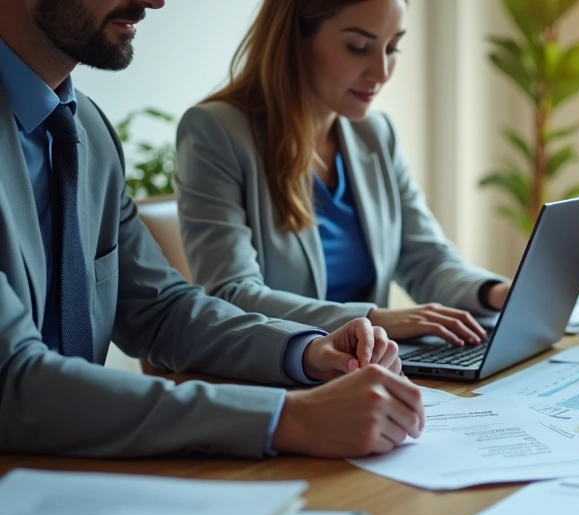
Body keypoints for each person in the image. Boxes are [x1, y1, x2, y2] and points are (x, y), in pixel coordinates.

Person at [0, 0, 426, 460]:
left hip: (76, 474)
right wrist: (283, 416)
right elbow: (13, 378)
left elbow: (161, 311)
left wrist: (307, 350)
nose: (155, 1)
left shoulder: (88, 130)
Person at [174, 0, 511, 349]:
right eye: (359, 47)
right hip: (282, 375)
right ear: (295, 39)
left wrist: (494, 293)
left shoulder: (375, 134)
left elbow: (425, 259)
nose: (381, 72)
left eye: (392, 47)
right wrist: (369, 319)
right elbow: (232, 294)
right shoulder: (216, 131)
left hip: (368, 365)